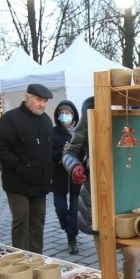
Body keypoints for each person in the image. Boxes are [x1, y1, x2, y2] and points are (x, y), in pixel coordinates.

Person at [61, 97, 140, 279]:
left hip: (128, 198)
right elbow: (71, 153)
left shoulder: (136, 112)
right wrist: (74, 166)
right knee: (107, 260)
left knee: (133, 254)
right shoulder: (91, 109)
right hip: (98, 198)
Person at [0, 83, 54, 254]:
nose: (42, 104)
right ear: (27, 98)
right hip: (17, 182)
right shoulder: (11, 119)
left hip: (40, 183)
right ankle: (21, 259)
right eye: (38, 100)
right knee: (21, 220)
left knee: (38, 221)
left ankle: (36, 258)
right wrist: (18, 166)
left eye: (45, 101)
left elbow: (48, 151)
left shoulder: (46, 120)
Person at [51, 100, 81, 254]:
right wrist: (61, 152)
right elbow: (48, 155)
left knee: (75, 209)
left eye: (67, 113)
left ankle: (72, 236)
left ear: (74, 114)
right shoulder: (53, 132)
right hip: (59, 177)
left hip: (77, 177)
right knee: (61, 208)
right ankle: (67, 227)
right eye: (61, 113)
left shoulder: (80, 131)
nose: (64, 115)